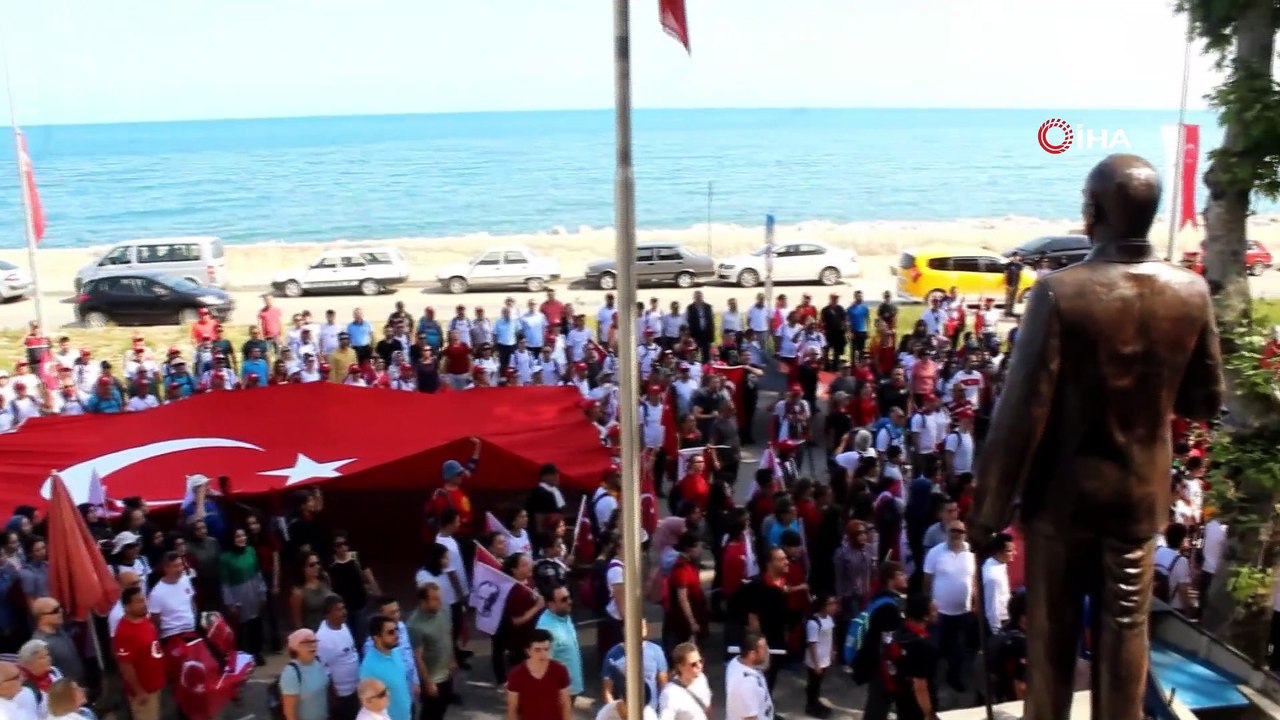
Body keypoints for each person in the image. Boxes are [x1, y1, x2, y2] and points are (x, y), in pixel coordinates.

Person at [970, 153, 1226, 720]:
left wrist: (987, 512)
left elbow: (1020, 415)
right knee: (1128, 626)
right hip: (1138, 496)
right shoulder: (1190, 291)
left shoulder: (1059, 293)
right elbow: (1204, 401)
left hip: (1063, 502)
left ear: (1096, 212)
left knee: (1053, 637)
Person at [112, 587, 165, 720]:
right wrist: (139, 691)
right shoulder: (124, 632)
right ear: (127, 607)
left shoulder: (144, 619)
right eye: (139, 601)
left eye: (144, 600)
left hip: (156, 685)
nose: (144, 604)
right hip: (144, 692)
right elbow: (125, 666)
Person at [885, 594, 939, 720]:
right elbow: (920, 685)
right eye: (934, 611)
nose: (937, 614)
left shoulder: (900, 633)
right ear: (925, 616)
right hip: (917, 708)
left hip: (901, 700)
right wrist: (928, 713)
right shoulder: (923, 646)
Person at [407, 582, 454, 720]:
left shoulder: (441, 612)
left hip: (446, 673)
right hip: (432, 680)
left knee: (442, 709)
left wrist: (453, 659)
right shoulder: (415, 625)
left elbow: (447, 635)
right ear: (423, 602)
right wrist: (428, 682)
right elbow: (418, 657)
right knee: (430, 714)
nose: (440, 602)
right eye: (435, 599)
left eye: (439, 598)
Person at [506, 628, 571, 720]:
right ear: (528, 651)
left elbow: (565, 703)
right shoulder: (516, 675)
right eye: (537, 650)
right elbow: (513, 708)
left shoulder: (559, 670)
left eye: (546, 649)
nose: (543, 654)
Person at [315, 595, 360, 718]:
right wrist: (333, 698)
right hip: (342, 695)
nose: (344, 612)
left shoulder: (344, 626)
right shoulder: (322, 638)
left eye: (343, 608)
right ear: (327, 614)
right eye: (339, 610)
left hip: (356, 688)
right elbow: (323, 670)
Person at [534, 585, 583, 700]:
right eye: (564, 600)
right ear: (551, 604)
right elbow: (541, 665)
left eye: (569, 597)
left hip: (571, 688)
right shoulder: (545, 628)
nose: (569, 602)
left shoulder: (564, 616)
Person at [360, 615, 413, 720]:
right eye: (391, 632)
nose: (397, 635)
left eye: (396, 630)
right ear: (376, 638)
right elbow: (368, 704)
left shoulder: (396, 652)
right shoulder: (369, 668)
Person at [280, 628, 331, 720]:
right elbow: (289, 712)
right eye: (307, 642)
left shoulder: (318, 661)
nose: (313, 645)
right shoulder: (291, 672)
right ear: (295, 646)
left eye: (314, 641)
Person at [723, 631, 774, 720]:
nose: (767, 651)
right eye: (764, 649)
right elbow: (750, 718)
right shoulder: (746, 684)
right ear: (752, 654)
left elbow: (765, 666)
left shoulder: (736, 661)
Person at [656, 642, 711, 720]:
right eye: (693, 664)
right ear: (680, 667)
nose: (699, 666)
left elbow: (707, 707)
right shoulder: (670, 694)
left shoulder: (701, 678)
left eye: (700, 661)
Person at [804, 595, 837, 719]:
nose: (834, 607)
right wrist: (816, 664)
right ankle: (810, 706)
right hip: (815, 661)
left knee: (818, 684)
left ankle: (816, 702)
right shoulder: (813, 623)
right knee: (813, 684)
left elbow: (831, 636)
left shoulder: (829, 619)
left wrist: (833, 651)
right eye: (830, 604)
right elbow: (812, 644)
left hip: (825, 659)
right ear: (822, 606)